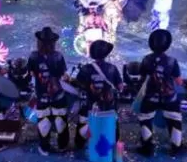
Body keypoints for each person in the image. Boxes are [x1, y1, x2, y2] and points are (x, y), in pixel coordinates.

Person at [136, 29, 183, 157]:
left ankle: (147, 147)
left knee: (145, 118)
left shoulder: (146, 59)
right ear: (167, 45)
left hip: (151, 97)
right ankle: (176, 148)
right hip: (169, 97)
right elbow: (179, 82)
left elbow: (141, 78)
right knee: (175, 119)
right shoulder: (172, 61)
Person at [75, 40, 124, 150]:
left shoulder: (85, 69)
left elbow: (78, 84)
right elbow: (120, 87)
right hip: (109, 108)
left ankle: (80, 145)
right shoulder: (113, 68)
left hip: (89, 108)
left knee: (82, 127)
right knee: (113, 126)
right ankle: (113, 146)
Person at [27, 27, 69, 155]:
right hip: (58, 96)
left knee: (43, 123)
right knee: (61, 122)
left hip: (42, 96)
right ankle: (62, 146)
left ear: (39, 42)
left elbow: (31, 73)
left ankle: (45, 147)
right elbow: (63, 75)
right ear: (53, 43)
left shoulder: (33, 56)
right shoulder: (58, 56)